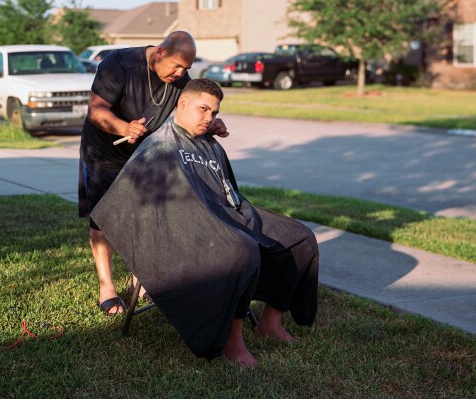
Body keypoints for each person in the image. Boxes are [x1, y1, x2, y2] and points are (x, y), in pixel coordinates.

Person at [90, 79, 319, 366]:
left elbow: (228, 192)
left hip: (228, 214)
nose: (209, 118)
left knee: (300, 237)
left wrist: (232, 217)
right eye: (203, 109)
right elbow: (136, 208)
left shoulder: (208, 143)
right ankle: (230, 342)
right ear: (182, 104)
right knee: (241, 249)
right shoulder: (160, 146)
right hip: (186, 229)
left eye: (214, 112)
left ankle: (270, 324)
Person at [79, 31, 228, 315]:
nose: (181, 73)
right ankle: (106, 287)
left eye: (187, 68)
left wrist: (211, 123)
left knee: (145, 215)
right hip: (104, 152)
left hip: (144, 155)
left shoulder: (180, 79)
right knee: (103, 220)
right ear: (160, 52)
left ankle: (141, 279)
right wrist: (123, 127)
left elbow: (189, 112)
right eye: (177, 66)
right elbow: (96, 111)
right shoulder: (118, 64)